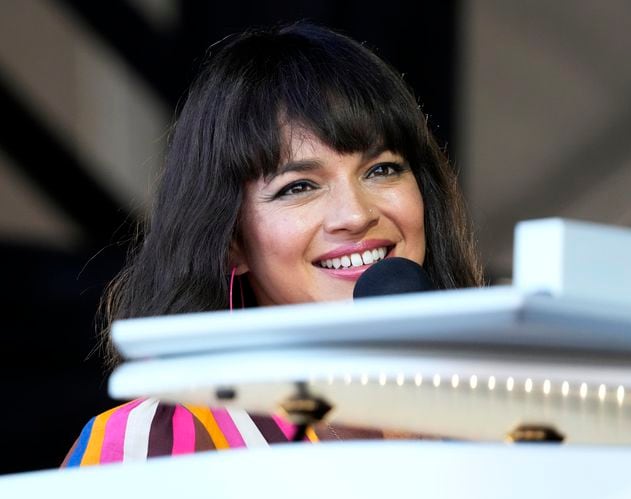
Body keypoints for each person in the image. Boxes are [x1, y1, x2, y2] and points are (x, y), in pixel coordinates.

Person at [63, 22, 483, 467]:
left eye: (381, 170)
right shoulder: (152, 445)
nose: (357, 215)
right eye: (299, 186)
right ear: (231, 242)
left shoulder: (525, 412)